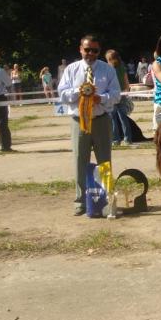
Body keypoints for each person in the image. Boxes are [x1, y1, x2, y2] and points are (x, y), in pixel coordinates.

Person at [57, 34, 120, 216]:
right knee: (79, 162)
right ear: (80, 49)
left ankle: (109, 198)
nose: (91, 53)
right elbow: (62, 94)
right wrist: (79, 91)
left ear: (99, 51)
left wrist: (102, 98)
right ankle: (80, 201)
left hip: (101, 121)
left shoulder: (108, 70)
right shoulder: (71, 69)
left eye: (95, 50)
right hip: (79, 121)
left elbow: (116, 94)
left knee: (105, 162)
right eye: (87, 49)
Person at [105, 49, 132, 146]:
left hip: (117, 95)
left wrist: (127, 90)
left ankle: (118, 139)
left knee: (118, 118)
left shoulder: (108, 68)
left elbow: (125, 79)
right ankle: (124, 139)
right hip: (117, 94)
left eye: (108, 59)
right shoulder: (121, 67)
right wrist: (127, 89)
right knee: (119, 118)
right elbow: (126, 79)